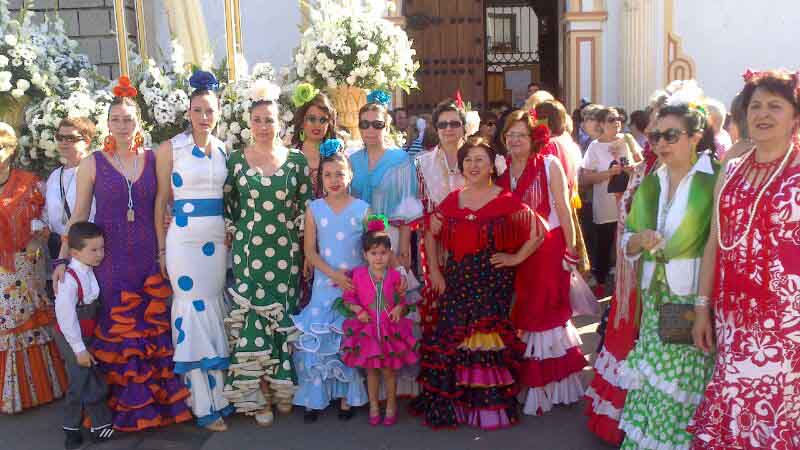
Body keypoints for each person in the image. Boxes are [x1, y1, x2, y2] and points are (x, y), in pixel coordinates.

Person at [53, 76, 192, 431]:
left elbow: (166, 203)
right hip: (110, 259)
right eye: (115, 119)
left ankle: (156, 407)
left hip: (148, 254)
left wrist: (167, 249)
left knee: (152, 329)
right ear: (108, 124)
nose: (122, 125)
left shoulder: (153, 156)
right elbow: (80, 214)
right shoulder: (93, 163)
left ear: (138, 123)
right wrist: (63, 258)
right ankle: (120, 410)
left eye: (128, 119)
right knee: (120, 331)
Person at [689, 69, 800, 449]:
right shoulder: (732, 169)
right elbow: (714, 243)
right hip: (734, 314)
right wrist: (702, 307)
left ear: (795, 118)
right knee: (735, 397)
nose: (763, 114)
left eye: (775, 106)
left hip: (789, 322)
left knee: (783, 407)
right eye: (755, 106)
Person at [410, 137, 542, 430]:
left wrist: (515, 258)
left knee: (484, 341)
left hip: (492, 281)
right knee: (454, 339)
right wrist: (434, 270)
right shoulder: (453, 199)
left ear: (492, 165)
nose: (473, 165)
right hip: (456, 280)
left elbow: (537, 232)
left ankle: (484, 409)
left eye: (479, 159)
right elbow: (430, 232)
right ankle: (459, 406)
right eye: (468, 160)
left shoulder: (506, 200)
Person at [618, 101, 718, 449]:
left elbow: (719, 246)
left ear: (695, 137)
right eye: (656, 135)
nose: (661, 143)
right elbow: (627, 240)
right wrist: (639, 241)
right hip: (654, 297)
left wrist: (705, 303)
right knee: (652, 378)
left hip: (689, 298)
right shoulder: (651, 182)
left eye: (671, 135)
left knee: (678, 382)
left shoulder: (713, 180)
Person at [223, 79, 312, 426]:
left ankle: (280, 389)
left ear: (280, 123)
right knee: (254, 317)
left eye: (270, 119)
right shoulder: (235, 160)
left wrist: (304, 253)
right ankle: (257, 394)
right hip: (249, 253)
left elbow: (305, 207)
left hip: (286, 253)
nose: (263, 126)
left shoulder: (296, 161)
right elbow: (228, 205)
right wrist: (234, 231)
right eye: (258, 119)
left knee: (282, 316)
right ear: (249, 122)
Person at [584, 88, 670, 445]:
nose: (661, 136)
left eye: (670, 129)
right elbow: (626, 214)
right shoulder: (645, 166)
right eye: (656, 127)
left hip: (671, 285)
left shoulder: (700, 172)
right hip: (634, 277)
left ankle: (661, 426)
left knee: (669, 356)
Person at [154, 71, 232, 431]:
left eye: (210, 110)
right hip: (183, 241)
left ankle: (220, 396)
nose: (204, 116)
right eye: (197, 110)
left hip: (216, 242)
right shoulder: (171, 148)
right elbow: (159, 202)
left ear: (218, 113)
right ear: (188, 112)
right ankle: (201, 404)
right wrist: (159, 246)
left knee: (214, 309)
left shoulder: (224, 149)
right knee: (192, 310)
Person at [496, 110, 587, 416]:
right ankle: (533, 384)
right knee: (523, 313)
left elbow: (563, 209)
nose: (514, 140)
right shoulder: (503, 168)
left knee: (545, 312)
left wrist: (571, 251)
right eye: (510, 135)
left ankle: (551, 387)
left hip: (549, 249)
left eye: (520, 135)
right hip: (519, 251)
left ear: (533, 137)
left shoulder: (549, 164)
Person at [291, 142, 368, 423]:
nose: (334, 181)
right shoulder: (315, 208)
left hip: (353, 286)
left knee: (346, 339)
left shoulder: (363, 208)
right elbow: (310, 251)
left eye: (339, 174)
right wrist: (333, 274)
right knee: (319, 339)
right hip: (326, 283)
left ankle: (348, 397)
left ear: (350, 176)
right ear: (320, 179)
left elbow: (371, 246)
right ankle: (315, 397)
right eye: (328, 175)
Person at [416, 100, 506, 337]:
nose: (449, 129)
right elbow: (426, 219)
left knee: (480, 315)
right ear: (435, 128)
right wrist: (434, 269)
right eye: (442, 124)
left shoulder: (487, 159)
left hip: (479, 251)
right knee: (442, 311)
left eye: (454, 123)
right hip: (438, 249)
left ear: (464, 127)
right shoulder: (422, 164)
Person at [0, 122, 68, 414]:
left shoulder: (30, 182)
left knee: (21, 320)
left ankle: (34, 390)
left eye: (2, 146)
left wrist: (38, 237)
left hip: (24, 263)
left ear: (12, 150)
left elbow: (45, 220)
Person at [340, 217, 417, 426]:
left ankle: (391, 406)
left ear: (389, 254)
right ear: (365, 255)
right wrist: (357, 309)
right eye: (374, 253)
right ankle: (374, 405)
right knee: (371, 372)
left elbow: (403, 300)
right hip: (367, 332)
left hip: (389, 331)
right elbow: (347, 300)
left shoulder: (395, 276)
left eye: (383, 253)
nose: (379, 257)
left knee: (389, 372)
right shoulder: (357, 275)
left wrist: (400, 307)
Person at [54, 222, 113, 449]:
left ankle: (100, 426)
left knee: (91, 379)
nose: (100, 254)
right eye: (94, 250)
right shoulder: (69, 279)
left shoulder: (89, 270)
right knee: (80, 381)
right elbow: (67, 318)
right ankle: (72, 429)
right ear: (75, 252)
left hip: (86, 334)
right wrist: (79, 349)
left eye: (102, 248)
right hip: (71, 338)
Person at [290, 88, 338, 311]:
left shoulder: (336, 157)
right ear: (301, 122)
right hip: (294, 239)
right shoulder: (288, 156)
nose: (317, 125)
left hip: (330, 237)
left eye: (323, 119)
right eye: (311, 119)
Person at [580, 107, 631, 297]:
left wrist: (628, 168)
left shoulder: (628, 140)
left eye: (619, 118)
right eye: (611, 119)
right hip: (605, 205)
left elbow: (643, 165)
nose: (617, 122)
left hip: (628, 204)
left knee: (625, 244)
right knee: (604, 244)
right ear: (601, 124)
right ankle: (600, 282)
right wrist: (608, 174)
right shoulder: (594, 146)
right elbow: (586, 178)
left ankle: (625, 283)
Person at [44, 118, 97, 261]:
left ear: (87, 141)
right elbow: (47, 212)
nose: (63, 142)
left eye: (70, 138)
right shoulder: (55, 176)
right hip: (58, 247)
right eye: (60, 138)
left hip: (87, 249)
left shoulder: (96, 171)